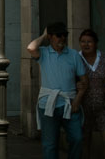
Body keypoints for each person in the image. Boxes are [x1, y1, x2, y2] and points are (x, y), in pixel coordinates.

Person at [27, 22, 88, 159]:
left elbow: (84, 81)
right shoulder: (43, 53)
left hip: (70, 103)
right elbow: (30, 48)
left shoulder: (73, 55)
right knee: (50, 144)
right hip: (48, 105)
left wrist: (77, 101)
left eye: (64, 35)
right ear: (50, 37)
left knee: (77, 138)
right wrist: (43, 35)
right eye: (58, 35)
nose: (62, 39)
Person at [78, 29, 105, 159]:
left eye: (89, 42)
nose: (86, 45)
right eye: (83, 42)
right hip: (83, 106)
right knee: (85, 140)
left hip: (104, 104)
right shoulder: (76, 58)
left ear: (96, 43)